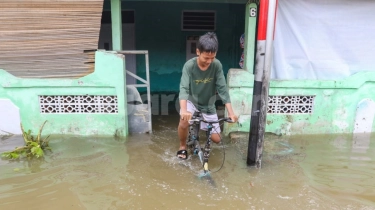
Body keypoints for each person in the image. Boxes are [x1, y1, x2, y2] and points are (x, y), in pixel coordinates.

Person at [177, 32, 238, 159]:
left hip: (208, 105)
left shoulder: (217, 65)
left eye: (213, 58)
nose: (209, 61)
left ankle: (203, 131)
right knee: (184, 122)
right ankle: (182, 146)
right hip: (191, 101)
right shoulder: (189, 66)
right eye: (206, 58)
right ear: (198, 52)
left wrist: (231, 112)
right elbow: (183, 88)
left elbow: (222, 89)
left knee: (217, 139)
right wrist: (183, 110)